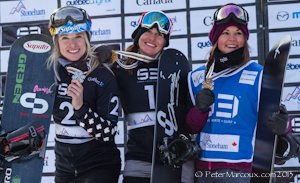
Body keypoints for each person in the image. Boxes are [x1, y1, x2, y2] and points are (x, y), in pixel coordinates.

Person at [185, 3, 293, 183]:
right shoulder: (197, 77)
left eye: (238, 33)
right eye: (225, 33)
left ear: (245, 38)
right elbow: (190, 128)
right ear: (215, 38)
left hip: (240, 169)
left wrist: (283, 125)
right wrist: (200, 109)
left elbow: (279, 121)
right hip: (202, 170)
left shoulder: (260, 75)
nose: (232, 39)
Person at [47, 6, 121, 183]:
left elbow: (108, 133)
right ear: (57, 41)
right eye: (65, 38)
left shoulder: (102, 75)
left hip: (99, 166)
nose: (72, 44)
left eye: (78, 36)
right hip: (64, 168)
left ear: (87, 38)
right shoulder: (48, 73)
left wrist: (80, 108)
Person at [108, 10, 175, 183]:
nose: (152, 39)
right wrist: (96, 62)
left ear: (165, 41)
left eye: (159, 35)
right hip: (139, 156)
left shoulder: (175, 65)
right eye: (147, 32)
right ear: (138, 34)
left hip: (175, 155)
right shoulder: (120, 67)